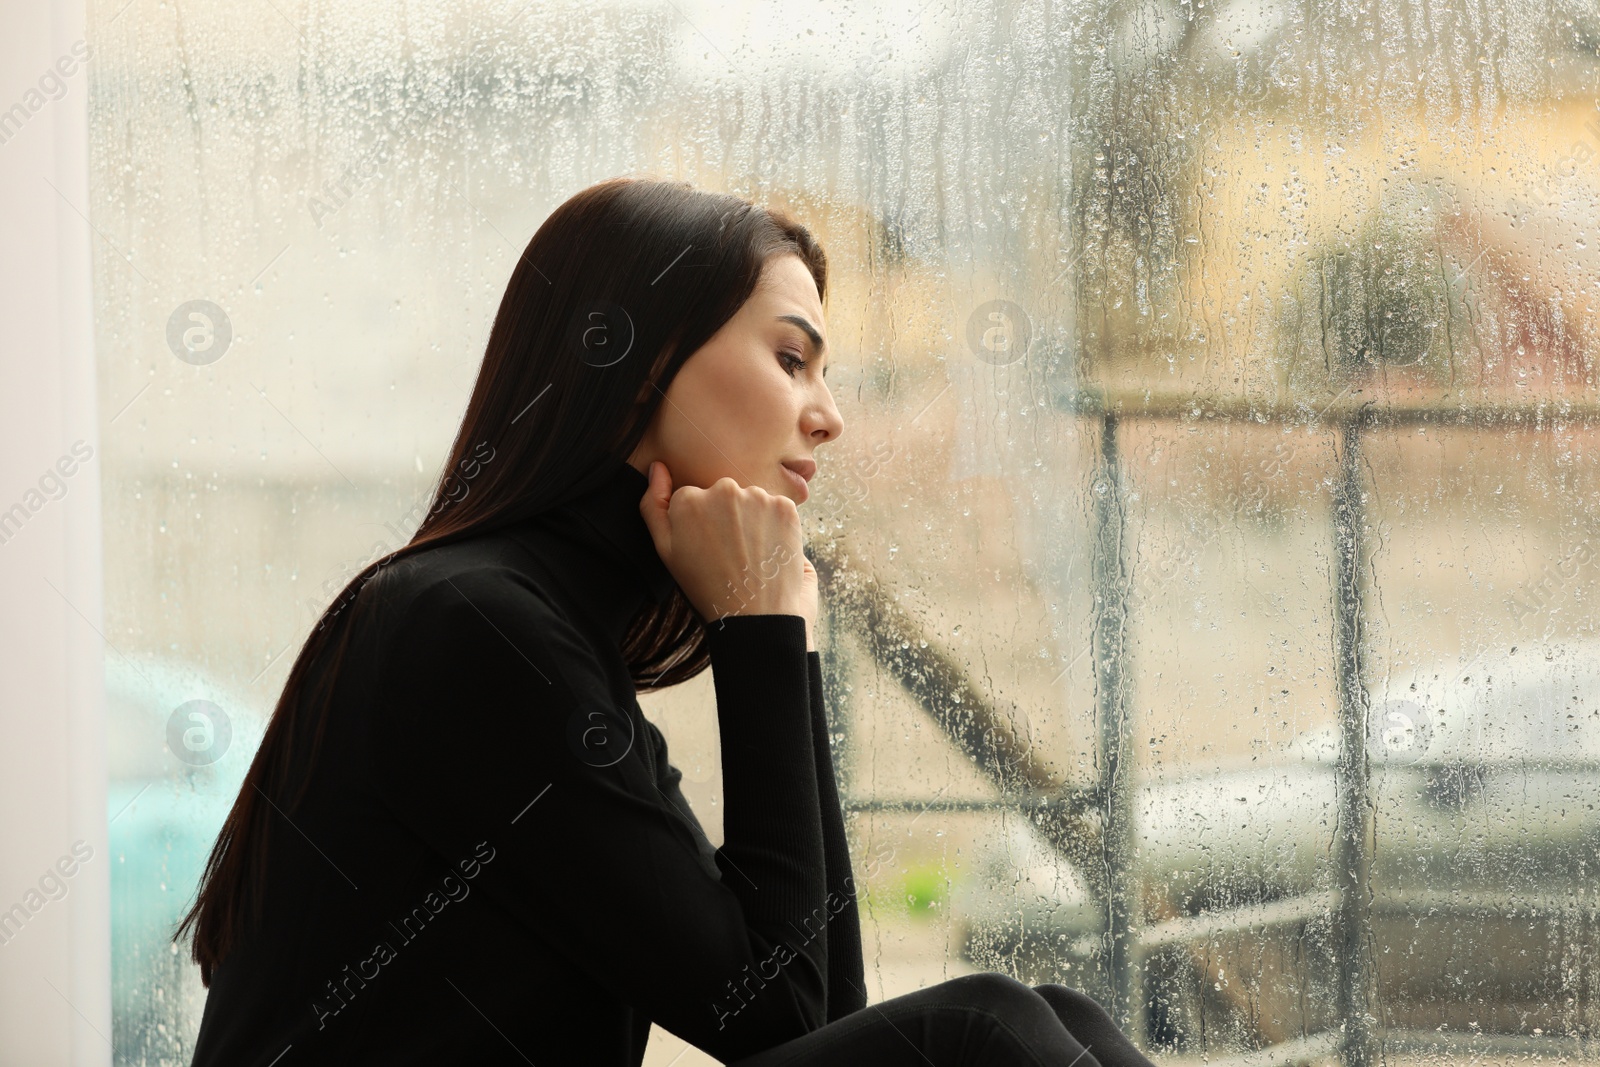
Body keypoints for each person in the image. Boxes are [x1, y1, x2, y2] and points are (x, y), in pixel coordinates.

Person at [177, 176, 1159, 1066]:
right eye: (789, 358)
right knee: (983, 1026)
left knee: (1060, 1013)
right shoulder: (468, 625)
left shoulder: (531, 626)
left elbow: (818, 1011)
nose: (827, 416)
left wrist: (786, 634)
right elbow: (774, 1011)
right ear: (638, 367)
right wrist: (761, 635)